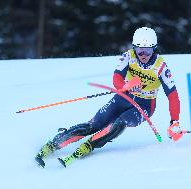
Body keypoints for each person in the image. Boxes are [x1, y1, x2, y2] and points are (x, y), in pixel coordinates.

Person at [35, 27, 182, 168]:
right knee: (94, 125)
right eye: (139, 50)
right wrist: (127, 85)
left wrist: (174, 121)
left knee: (119, 123)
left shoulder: (161, 66)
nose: (143, 55)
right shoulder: (128, 56)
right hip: (124, 97)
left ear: (154, 48)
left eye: (148, 50)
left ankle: (89, 145)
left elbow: (173, 95)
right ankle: (54, 144)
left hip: (145, 105)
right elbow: (116, 78)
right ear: (134, 48)